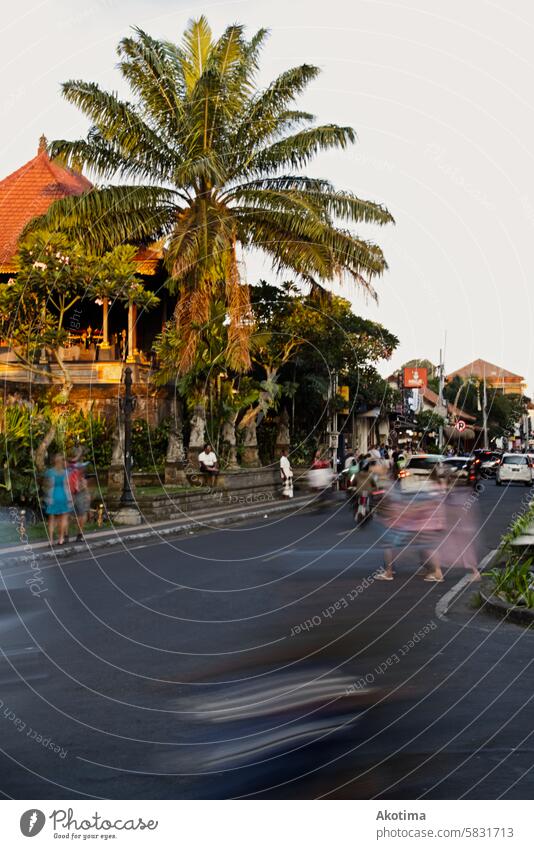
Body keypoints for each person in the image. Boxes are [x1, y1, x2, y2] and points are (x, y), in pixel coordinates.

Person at [43, 454, 73, 545]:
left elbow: (46, 485)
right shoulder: (66, 473)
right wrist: (70, 497)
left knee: (51, 519)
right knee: (63, 519)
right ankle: (61, 539)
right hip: (63, 496)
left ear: (54, 461)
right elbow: (67, 486)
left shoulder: (49, 472)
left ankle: (51, 540)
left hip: (53, 497)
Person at [68, 448, 91, 542]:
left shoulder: (68, 466)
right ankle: (79, 534)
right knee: (82, 513)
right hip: (81, 491)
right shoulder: (82, 466)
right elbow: (85, 480)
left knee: (71, 514)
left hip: (70, 491)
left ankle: (66, 535)